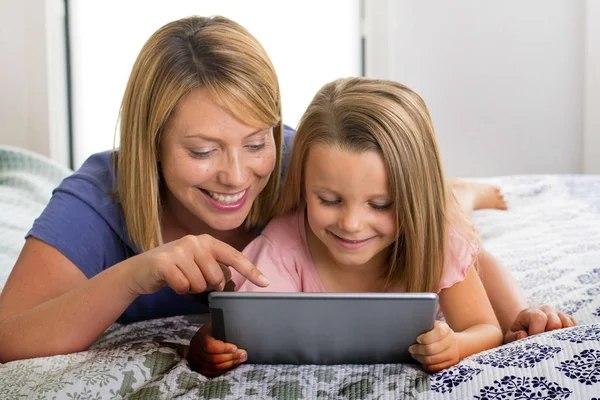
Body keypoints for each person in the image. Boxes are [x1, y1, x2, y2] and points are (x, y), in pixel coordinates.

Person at [0, 16, 573, 364]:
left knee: (437, 203)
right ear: (149, 144)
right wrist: (138, 273)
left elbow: (444, 240)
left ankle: (461, 188)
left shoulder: (303, 163)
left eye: (255, 142)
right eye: (202, 151)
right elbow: (8, 338)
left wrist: (517, 313)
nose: (235, 175)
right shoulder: (98, 200)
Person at [188, 78, 575, 376]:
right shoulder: (279, 247)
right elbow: (242, 331)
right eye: (329, 200)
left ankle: (462, 194)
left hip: (447, 228)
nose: (352, 224)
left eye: (380, 204)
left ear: (413, 199)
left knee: (476, 253)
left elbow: (485, 329)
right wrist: (208, 343)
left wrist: (456, 345)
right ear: (303, 186)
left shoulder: (435, 236)